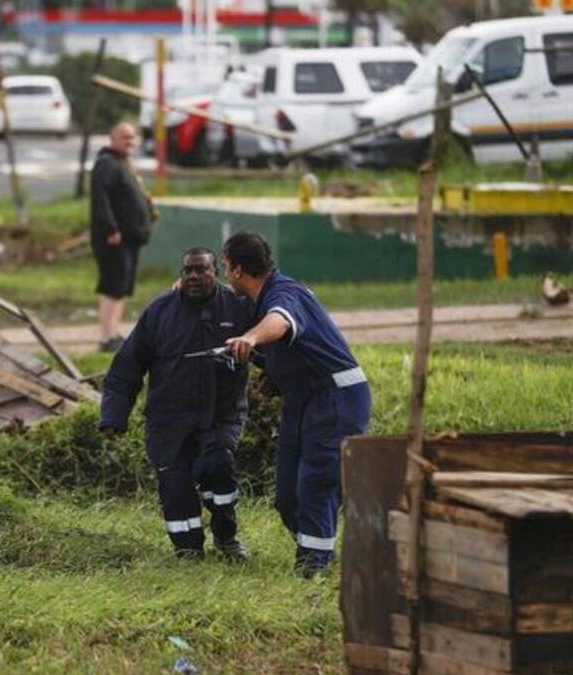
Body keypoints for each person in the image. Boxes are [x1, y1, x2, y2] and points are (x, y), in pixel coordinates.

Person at [220, 232, 372, 576]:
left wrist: (250, 338)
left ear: (238, 269)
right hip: (301, 401)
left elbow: (281, 321)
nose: (224, 275)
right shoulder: (257, 300)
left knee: (316, 483)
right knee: (288, 496)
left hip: (335, 399)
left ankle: (313, 570)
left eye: (225, 267)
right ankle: (319, 548)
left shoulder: (284, 294)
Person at [99, 247, 252, 561]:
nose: (194, 276)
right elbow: (127, 366)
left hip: (220, 416)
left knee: (218, 469)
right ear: (181, 275)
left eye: (202, 270)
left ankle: (226, 537)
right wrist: (114, 415)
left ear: (216, 273)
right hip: (168, 420)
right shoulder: (159, 312)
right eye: (188, 271)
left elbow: (269, 348)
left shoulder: (238, 309)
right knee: (175, 487)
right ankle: (188, 551)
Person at [91, 122, 155, 352]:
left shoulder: (121, 163)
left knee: (121, 287)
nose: (130, 142)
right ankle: (107, 337)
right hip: (114, 239)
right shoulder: (106, 164)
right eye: (125, 137)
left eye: (132, 137)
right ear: (113, 138)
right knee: (112, 286)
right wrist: (111, 229)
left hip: (128, 238)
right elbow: (101, 201)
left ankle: (114, 331)